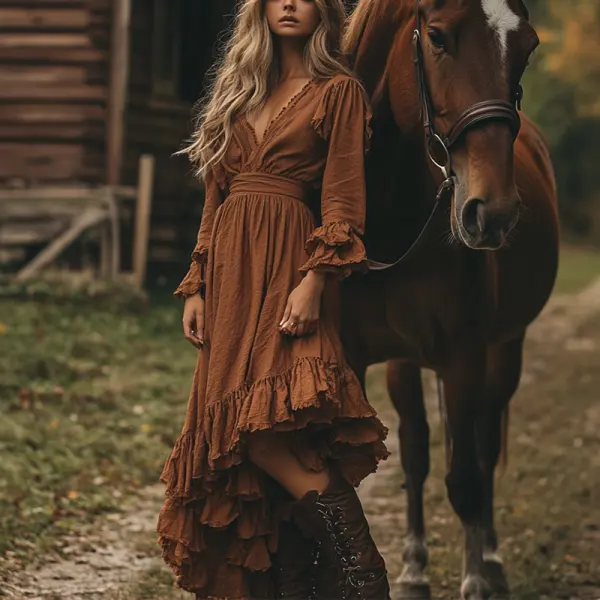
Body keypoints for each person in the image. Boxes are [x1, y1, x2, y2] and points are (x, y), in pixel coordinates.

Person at [157, 1, 390, 598]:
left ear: (323, 11)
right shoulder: (238, 89)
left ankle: (362, 573)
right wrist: (199, 284)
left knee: (265, 429)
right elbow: (217, 199)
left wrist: (317, 279)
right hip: (232, 278)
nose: (291, 2)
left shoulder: (339, 92)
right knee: (242, 434)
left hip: (292, 270)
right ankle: (293, 582)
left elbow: (342, 198)